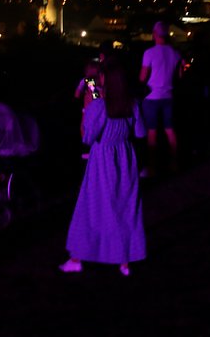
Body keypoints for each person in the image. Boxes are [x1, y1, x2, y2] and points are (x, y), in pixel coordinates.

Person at [60, 56, 147, 275]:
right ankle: (124, 260)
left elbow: (87, 137)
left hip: (102, 161)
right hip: (126, 158)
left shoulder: (98, 106)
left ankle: (77, 258)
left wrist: (86, 112)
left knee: (92, 207)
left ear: (105, 78)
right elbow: (140, 133)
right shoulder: (132, 103)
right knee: (125, 208)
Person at [139, 21, 184, 177]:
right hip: (168, 96)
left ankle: (151, 167)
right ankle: (174, 163)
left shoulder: (149, 53)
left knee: (152, 132)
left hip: (151, 97)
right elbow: (180, 76)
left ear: (155, 34)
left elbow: (142, 77)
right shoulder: (175, 53)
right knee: (170, 130)